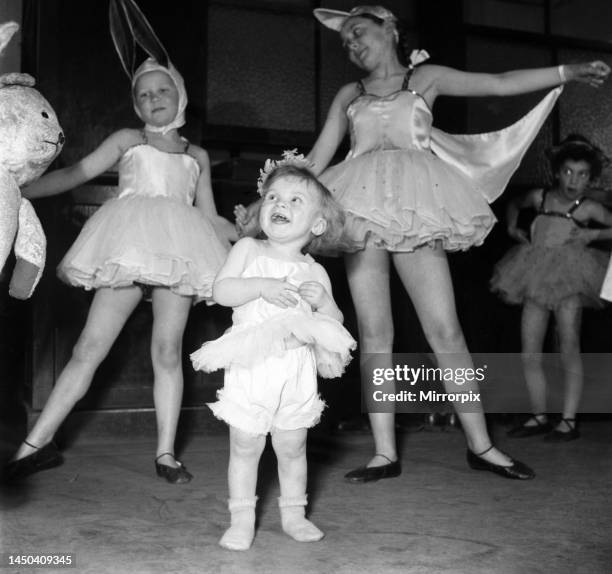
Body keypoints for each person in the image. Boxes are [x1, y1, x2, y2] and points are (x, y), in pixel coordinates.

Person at [237, 5, 609, 482]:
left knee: (445, 330)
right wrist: (262, 205)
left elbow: (498, 83)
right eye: (345, 41)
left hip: (418, 205)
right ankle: (384, 453)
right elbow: (315, 159)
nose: (351, 44)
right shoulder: (350, 93)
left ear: (389, 28)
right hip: (359, 209)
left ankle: (481, 444)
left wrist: (566, 71)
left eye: (358, 32)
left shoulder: (424, 77)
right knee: (375, 333)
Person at [3, 57, 235, 485]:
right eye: (143, 95)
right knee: (89, 347)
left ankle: (166, 454)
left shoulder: (195, 155)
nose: (153, 99)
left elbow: (211, 217)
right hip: (125, 246)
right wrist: (19, 187)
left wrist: (253, 228)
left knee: (167, 350)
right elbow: (77, 173)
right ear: (136, 106)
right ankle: (36, 444)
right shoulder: (129, 139)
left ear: (179, 96)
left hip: (180, 251)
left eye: (162, 90)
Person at [191, 156, 355, 550]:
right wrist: (261, 286)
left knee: (292, 445)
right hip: (253, 363)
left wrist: (326, 304)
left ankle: (294, 514)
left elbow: (335, 323)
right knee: (246, 443)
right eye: (273, 198)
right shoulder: (248, 249)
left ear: (317, 225)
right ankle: (241, 518)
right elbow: (221, 291)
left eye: (296, 200)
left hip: (296, 368)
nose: (281, 204)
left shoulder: (315, 271)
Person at [491, 134, 612, 441]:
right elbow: (515, 203)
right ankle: (539, 414)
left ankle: (568, 421)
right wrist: (511, 225)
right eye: (568, 172)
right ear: (557, 172)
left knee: (569, 345)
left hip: (571, 277)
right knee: (530, 350)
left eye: (582, 174)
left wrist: (592, 237)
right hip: (533, 273)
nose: (574, 180)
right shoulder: (540, 197)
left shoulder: (588, 208)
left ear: (591, 178)